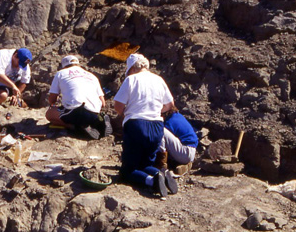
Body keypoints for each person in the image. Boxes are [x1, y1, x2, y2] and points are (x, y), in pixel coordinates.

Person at [113, 53, 178, 197]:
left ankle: (152, 181)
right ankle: (162, 174)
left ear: (132, 68)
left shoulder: (131, 79)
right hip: (156, 127)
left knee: (127, 171)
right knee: (147, 164)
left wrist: (126, 114)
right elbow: (170, 105)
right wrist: (155, 111)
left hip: (136, 124)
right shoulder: (159, 80)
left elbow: (118, 105)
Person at [46, 55, 112, 139]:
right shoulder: (92, 76)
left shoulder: (61, 73)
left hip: (76, 111)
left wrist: (56, 104)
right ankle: (98, 123)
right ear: (78, 64)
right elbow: (103, 103)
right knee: (89, 114)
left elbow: (52, 100)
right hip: (94, 112)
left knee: (49, 114)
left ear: (64, 65)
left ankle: (77, 127)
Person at [157, 105, 199, 175]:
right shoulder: (177, 116)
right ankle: (184, 165)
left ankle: (161, 165)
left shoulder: (169, 121)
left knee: (160, 130)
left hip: (184, 151)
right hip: (190, 151)